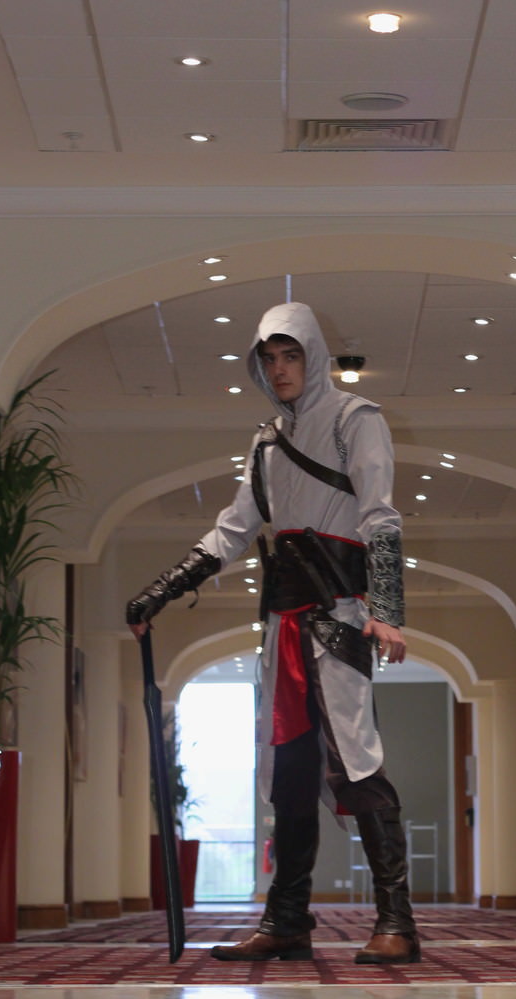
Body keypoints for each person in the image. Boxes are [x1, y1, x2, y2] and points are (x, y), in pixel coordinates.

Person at [126, 301, 420, 965]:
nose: (280, 369)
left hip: (339, 618)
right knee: (287, 773)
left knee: (356, 761)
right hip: (282, 625)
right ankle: (286, 920)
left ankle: (397, 923)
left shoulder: (354, 419)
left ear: (313, 355)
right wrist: (160, 592)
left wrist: (387, 608)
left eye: (291, 355)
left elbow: (379, 515)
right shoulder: (265, 441)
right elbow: (234, 529)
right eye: (269, 359)